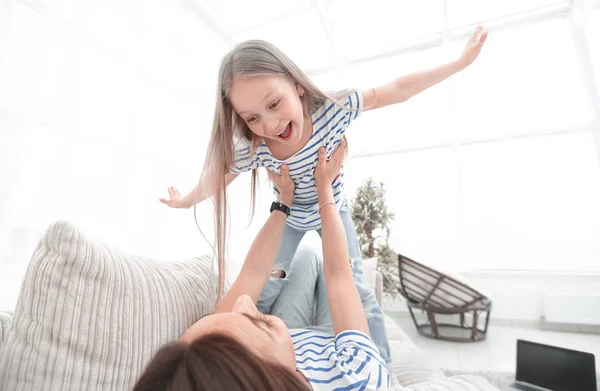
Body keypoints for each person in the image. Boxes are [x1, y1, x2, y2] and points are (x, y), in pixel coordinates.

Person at [159, 26, 488, 366]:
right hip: (290, 218)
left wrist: (459, 63)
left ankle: (382, 368)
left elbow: (398, 89)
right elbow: (219, 177)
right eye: (253, 117)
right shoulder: (254, 147)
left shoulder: (334, 109)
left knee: (357, 287)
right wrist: (185, 200)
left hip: (336, 211)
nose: (271, 124)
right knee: (268, 286)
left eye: (274, 103)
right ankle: (252, 357)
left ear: (297, 84)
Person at [136, 143, 391, 390]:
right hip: (335, 350)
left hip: (296, 343)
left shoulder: (211, 359)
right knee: (322, 262)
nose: (244, 301)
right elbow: (339, 273)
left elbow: (253, 273)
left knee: (306, 255)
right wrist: (324, 187)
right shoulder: (360, 375)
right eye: (259, 321)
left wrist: (285, 200)